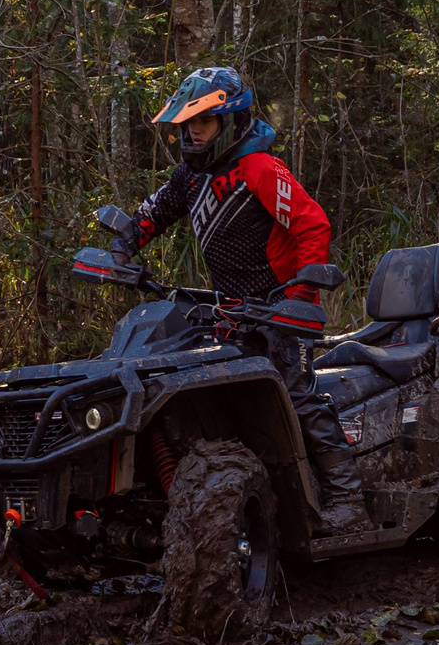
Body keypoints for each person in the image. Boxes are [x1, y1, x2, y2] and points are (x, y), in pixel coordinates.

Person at [110, 66, 364, 526]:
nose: (193, 132)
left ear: (229, 121)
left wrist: (301, 294)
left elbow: (312, 226)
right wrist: (122, 249)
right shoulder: (191, 175)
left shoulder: (259, 168)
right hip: (230, 310)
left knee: (297, 396)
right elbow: (154, 213)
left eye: (204, 122)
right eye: (188, 123)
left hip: (281, 309)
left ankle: (348, 497)